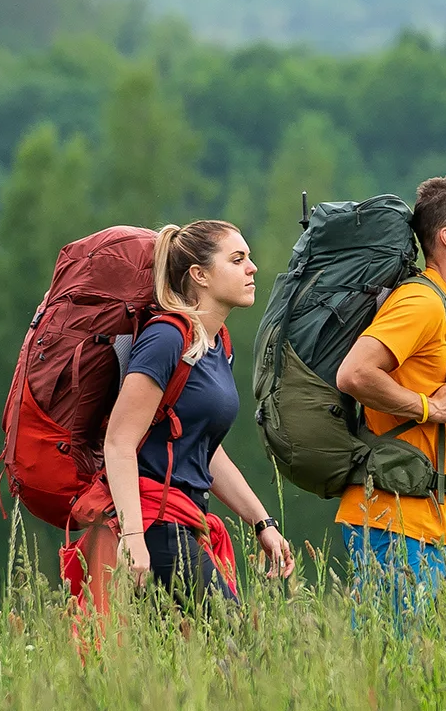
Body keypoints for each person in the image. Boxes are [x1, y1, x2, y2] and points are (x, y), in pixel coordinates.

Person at [76, 219, 296, 611]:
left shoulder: (215, 345)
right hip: (154, 523)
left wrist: (262, 522)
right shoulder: (166, 339)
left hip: (185, 519)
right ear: (200, 275)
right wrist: (133, 537)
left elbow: (203, 449)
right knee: (234, 637)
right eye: (237, 259)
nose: (252, 268)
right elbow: (120, 441)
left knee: (182, 649)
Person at [332, 174, 446, 615]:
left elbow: (419, 393)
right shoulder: (421, 302)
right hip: (392, 518)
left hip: (438, 522)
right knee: (398, 652)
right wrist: (432, 407)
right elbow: (354, 374)